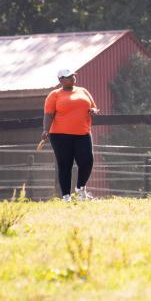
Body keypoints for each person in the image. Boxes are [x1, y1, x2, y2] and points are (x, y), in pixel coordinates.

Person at [42, 68, 98, 202]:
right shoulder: (54, 95)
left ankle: (80, 188)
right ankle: (66, 196)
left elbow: (94, 106)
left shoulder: (83, 91)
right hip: (60, 135)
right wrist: (45, 130)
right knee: (65, 164)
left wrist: (93, 110)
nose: (73, 78)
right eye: (68, 77)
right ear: (61, 80)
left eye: (73, 75)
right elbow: (48, 114)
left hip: (83, 133)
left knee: (87, 161)